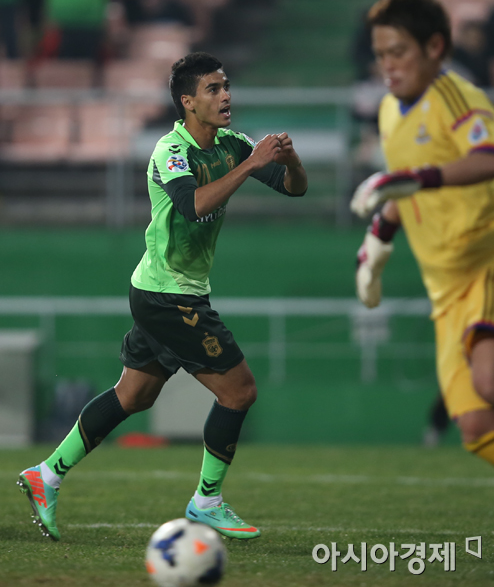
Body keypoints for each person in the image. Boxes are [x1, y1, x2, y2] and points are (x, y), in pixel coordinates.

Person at [17, 52, 308, 541]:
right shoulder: (170, 151)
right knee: (239, 391)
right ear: (188, 101)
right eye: (214, 89)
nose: (226, 95)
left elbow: (294, 189)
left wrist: (288, 160)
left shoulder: (233, 145)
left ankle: (46, 474)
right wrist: (252, 164)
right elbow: (192, 205)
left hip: (166, 291)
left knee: (134, 394)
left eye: (226, 86)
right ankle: (206, 501)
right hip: (169, 296)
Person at [351, 0, 494, 472]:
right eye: (381, 55)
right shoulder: (389, 111)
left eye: (399, 52)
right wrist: (377, 242)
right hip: (445, 289)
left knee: (490, 382)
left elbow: (490, 157)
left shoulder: (455, 96)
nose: (388, 66)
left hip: (488, 260)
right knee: (477, 427)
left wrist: (421, 178)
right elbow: (403, 191)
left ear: (435, 47)